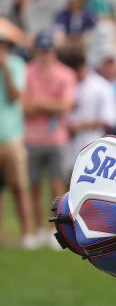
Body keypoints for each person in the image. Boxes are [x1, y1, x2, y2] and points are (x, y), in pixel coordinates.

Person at [22, 30, 76, 249]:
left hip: (56, 138)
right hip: (32, 137)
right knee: (33, 185)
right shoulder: (27, 72)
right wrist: (50, 104)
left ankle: (55, 230)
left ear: (54, 52)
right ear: (36, 51)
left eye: (48, 50)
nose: (45, 54)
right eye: (42, 50)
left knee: (56, 186)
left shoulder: (66, 74)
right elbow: (25, 106)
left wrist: (39, 103)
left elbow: (65, 105)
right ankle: (35, 230)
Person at [0, 24, 37, 248]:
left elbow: (15, 96)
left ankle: (27, 234)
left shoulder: (15, 64)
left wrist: (4, 69)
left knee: (19, 187)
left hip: (12, 136)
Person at [60, 48, 116, 178]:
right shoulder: (64, 84)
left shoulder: (101, 86)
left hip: (91, 145)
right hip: (66, 145)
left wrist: (79, 125)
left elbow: (110, 119)